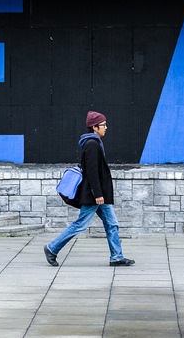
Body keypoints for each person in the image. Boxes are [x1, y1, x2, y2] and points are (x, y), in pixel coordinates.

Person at [44, 111, 135, 267]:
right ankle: (52, 248)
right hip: (95, 195)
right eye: (103, 125)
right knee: (81, 224)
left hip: (100, 194)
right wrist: (98, 194)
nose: (106, 127)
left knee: (112, 224)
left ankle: (116, 256)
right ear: (94, 127)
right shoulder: (92, 144)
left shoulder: (94, 142)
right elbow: (92, 172)